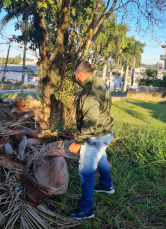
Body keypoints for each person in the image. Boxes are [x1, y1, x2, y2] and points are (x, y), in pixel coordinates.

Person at [68, 60, 115, 220]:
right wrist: (81, 130)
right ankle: (106, 185)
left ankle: (86, 209)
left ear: (79, 74)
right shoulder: (99, 81)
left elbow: (91, 123)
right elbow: (95, 114)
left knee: (86, 172)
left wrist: (78, 142)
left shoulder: (89, 92)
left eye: (75, 75)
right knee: (100, 156)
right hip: (105, 132)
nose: (75, 78)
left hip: (96, 136)